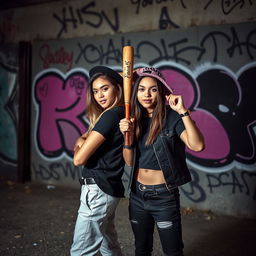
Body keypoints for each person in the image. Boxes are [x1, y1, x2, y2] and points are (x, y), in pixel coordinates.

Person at [119, 67, 205, 256]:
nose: (147, 94)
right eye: (141, 89)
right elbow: (129, 161)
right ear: (135, 93)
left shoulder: (172, 117)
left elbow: (198, 145)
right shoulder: (134, 120)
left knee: (173, 251)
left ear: (162, 91)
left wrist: (183, 111)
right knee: (142, 249)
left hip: (164, 197)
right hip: (137, 195)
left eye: (153, 89)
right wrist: (128, 136)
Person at [70, 66, 125, 256]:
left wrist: (79, 143)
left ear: (117, 88)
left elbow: (78, 158)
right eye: (95, 91)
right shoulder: (116, 114)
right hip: (107, 189)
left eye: (105, 88)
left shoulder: (110, 116)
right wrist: (81, 141)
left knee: (81, 251)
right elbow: (82, 141)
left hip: (98, 191)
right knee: (109, 246)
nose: (99, 95)